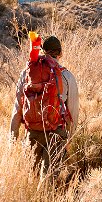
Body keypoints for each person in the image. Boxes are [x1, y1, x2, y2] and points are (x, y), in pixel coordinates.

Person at [9, 35, 80, 174]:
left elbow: (17, 108)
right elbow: (73, 112)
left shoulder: (27, 73)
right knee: (49, 181)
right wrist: (69, 138)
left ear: (43, 51)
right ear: (60, 53)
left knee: (30, 178)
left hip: (32, 132)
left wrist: (12, 139)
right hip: (56, 133)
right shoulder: (67, 76)